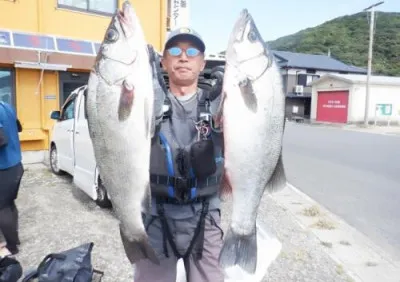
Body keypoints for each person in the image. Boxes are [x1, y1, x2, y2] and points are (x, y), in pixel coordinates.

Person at [129, 27, 225, 282]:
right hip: (155, 217)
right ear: (164, 61)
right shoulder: (147, 101)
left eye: (192, 51)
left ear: (202, 62)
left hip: (205, 216)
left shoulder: (220, 101)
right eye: (175, 50)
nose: (183, 57)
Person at [0, 101, 24, 256]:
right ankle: (14, 238)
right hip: (16, 165)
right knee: (9, 204)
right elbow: (19, 127)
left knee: (2, 207)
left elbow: (1, 140)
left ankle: (11, 247)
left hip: (4, 168)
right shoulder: (6, 105)